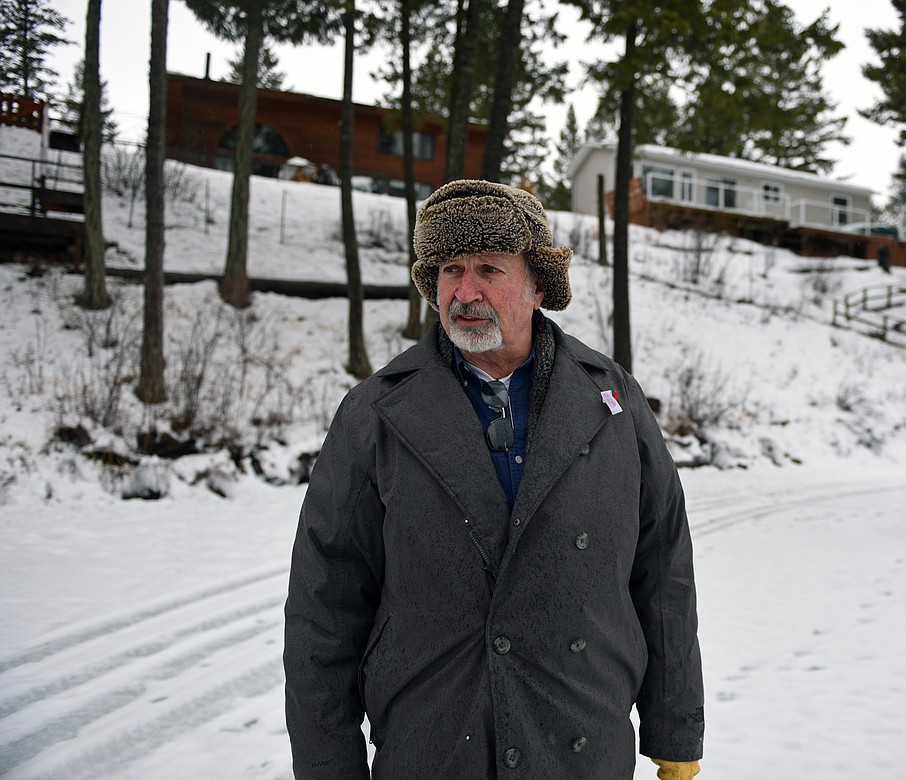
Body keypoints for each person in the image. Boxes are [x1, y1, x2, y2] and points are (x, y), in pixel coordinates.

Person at [284, 180, 704, 780]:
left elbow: (663, 570)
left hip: (582, 743)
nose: (467, 291)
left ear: (537, 285)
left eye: (489, 267)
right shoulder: (374, 413)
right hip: (431, 748)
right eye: (449, 269)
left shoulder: (611, 399)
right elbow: (323, 606)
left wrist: (675, 727)